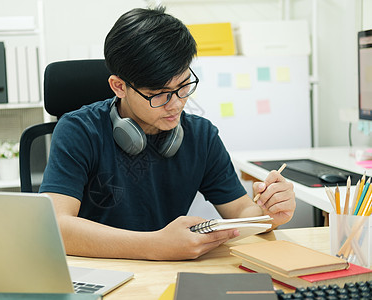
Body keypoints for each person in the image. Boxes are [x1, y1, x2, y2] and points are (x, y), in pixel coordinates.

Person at [39, 6, 295, 261]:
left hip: (169, 272)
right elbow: (55, 226)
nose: (176, 104)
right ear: (119, 86)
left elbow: (240, 210)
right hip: (99, 272)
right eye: (158, 94)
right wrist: (154, 245)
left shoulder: (201, 136)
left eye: (184, 86)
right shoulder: (78, 131)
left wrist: (268, 213)